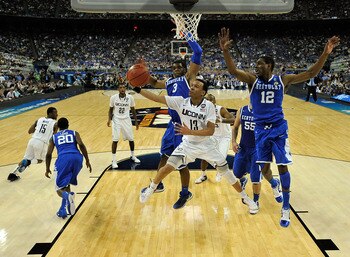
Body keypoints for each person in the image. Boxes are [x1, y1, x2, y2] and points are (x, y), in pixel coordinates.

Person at [219, 27, 340, 227]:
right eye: (255, 64)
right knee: (265, 168)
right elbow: (232, 71)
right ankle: (274, 187)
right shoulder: (252, 81)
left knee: (282, 165)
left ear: (270, 65)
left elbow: (311, 72)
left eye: (260, 64)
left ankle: (285, 208)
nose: (256, 67)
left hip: (278, 128)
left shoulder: (283, 80)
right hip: (260, 131)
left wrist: (325, 53)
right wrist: (225, 51)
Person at [135, 78, 259, 214]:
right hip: (188, 145)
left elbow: (210, 131)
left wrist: (189, 131)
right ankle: (151, 189)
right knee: (168, 166)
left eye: (196, 86)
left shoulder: (209, 106)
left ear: (203, 92)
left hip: (207, 145)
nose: (192, 87)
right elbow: (155, 98)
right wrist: (137, 89)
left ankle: (246, 199)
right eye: (192, 85)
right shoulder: (180, 101)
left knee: (227, 174)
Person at [142, 33, 202, 209]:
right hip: (172, 125)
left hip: (184, 126)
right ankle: (158, 184)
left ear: (184, 69)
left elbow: (197, 52)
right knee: (165, 155)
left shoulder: (189, 78)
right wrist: (141, 72)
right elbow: (153, 82)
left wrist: (188, 35)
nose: (175, 69)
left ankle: (185, 193)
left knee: (181, 164)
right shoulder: (169, 82)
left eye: (178, 67)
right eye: (173, 67)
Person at [232, 104, 283, 213]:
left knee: (255, 178)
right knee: (236, 173)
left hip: (258, 149)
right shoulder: (242, 110)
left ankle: (255, 201)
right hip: (243, 147)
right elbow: (235, 127)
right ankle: (273, 183)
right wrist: (233, 141)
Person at [45, 117, 92, 219]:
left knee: (58, 189)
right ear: (68, 124)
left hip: (64, 159)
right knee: (66, 184)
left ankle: (67, 196)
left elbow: (48, 154)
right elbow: (81, 145)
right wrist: (87, 160)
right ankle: (62, 210)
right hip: (77, 158)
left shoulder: (53, 137)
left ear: (58, 126)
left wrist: (47, 168)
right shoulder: (74, 133)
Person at [7, 107, 58, 182]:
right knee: (40, 160)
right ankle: (28, 162)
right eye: (55, 113)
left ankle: (13, 174)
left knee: (26, 158)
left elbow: (30, 131)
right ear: (50, 113)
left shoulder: (39, 120)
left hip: (32, 140)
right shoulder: (55, 123)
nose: (57, 114)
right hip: (42, 143)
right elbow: (54, 136)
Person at [195, 93, 235, 184]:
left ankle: (219, 170)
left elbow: (233, 119)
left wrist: (221, 120)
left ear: (214, 102)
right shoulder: (203, 111)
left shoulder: (221, 109)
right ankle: (203, 175)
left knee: (221, 158)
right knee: (204, 155)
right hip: (212, 135)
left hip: (224, 136)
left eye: (211, 102)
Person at [107, 83, 140, 169]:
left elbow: (133, 110)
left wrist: (136, 121)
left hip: (126, 119)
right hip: (116, 120)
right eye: (120, 87)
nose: (122, 89)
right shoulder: (113, 98)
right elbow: (110, 110)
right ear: (118, 89)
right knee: (115, 140)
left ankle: (133, 156)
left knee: (131, 139)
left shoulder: (130, 98)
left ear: (126, 89)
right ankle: (114, 160)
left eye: (124, 87)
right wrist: (109, 120)